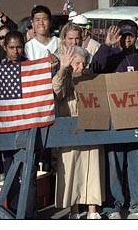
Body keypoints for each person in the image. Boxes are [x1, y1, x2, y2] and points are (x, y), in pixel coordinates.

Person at [92, 20, 138, 219]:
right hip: (114, 118)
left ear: (137, 36)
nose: (127, 39)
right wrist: (107, 45)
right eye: (123, 35)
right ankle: (114, 205)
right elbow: (94, 68)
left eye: (131, 35)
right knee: (114, 163)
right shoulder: (110, 55)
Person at [0, 30, 40, 218]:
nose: (15, 51)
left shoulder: (31, 68)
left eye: (19, 47)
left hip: (29, 127)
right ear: (5, 47)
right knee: (10, 171)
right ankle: (12, 212)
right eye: (11, 47)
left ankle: (29, 215)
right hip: (7, 128)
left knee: (29, 174)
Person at [53, 46, 105, 220]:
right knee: (71, 170)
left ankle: (92, 210)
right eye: (77, 63)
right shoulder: (64, 79)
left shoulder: (90, 79)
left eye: (84, 63)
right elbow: (56, 91)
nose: (81, 67)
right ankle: (74, 210)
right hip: (70, 131)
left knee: (93, 169)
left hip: (91, 128)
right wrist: (62, 68)